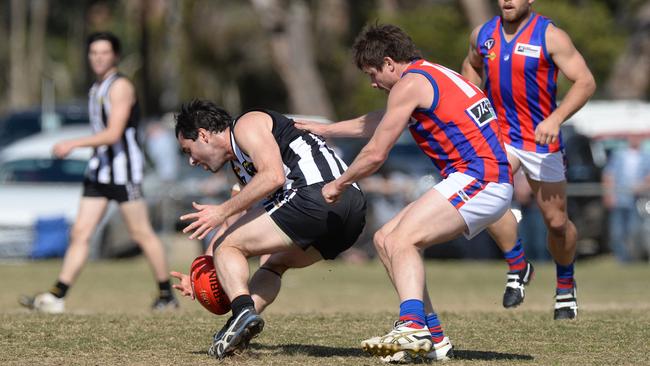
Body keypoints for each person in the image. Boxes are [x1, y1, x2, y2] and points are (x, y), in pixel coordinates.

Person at [296, 23, 512, 363]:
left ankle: (412, 326)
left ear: (389, 62)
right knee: (385, 239)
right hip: (480, 178)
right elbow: (381, 120)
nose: (372, 83)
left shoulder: (410, 84)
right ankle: (435, 341)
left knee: (402, 241)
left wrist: (338, 184)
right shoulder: (428, 75)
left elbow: (375, 153)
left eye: (373, 74)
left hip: (480, 179)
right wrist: (326, 129)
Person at [170, 100, 366, 359]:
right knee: (273, 263)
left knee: (228, 246)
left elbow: (272, 176)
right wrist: (203, 268)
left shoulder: (246, 125)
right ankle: (239, 327)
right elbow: (237, 221)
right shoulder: (240, 166)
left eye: (188, 150)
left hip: (316, 195)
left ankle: (242, 312)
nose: (192, 161)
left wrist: (220, 212)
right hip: (351, 213)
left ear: (204, 135)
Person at [19, 32, 177, 313]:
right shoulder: (97, 88)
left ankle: (166, 295)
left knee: (141, 233)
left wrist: (72, 144)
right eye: (94, 53)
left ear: (115, 56)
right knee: (80, 233)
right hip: (99, 172)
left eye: (104, 53)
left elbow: (114, 133)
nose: (98, 58)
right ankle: (57, 296)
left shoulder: (120, 87)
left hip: (123, 173)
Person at [462, 0, 596, 320]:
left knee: (557, 223)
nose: (508, 0)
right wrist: (473, 102)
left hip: (540, 139)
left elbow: (586, 81)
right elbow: (471, 66)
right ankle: (518, 264)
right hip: (500, 136)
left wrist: (556, 118)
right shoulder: (483, 34)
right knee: (486, 198)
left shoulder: (550, 36)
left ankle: (566, 285)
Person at [602, 135, 650, 262]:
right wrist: (609, 194)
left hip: (638, 199)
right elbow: (609, 175)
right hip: (619, 198)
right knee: (617, 230)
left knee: (634, 229)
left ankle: (635, 257)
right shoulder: (619, 155)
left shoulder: (646, 156)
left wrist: (642, 186)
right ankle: (622, 258)